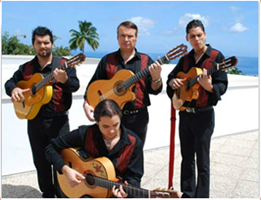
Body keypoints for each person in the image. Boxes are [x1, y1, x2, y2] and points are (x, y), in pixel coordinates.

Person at [4, 26, 80, 198]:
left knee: (61, 161)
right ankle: (47, 193)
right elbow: (9, 83)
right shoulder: (27, 68)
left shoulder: (63, 64)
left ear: (52, 43)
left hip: (58, 122)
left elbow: (75, 86)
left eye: (46, 42)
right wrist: (14, 89)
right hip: (35, 121)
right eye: (39, 43)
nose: (43, 46)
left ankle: (63, 194)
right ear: (33, 45)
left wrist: (65, 79)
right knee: (40, 161)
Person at [166, 19, 228, 198]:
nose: (196, 39)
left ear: (205, 35)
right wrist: (172, 81)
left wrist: (210, 88)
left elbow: (222, 85)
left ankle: (201, 196)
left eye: (199, 35)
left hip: (204, 115)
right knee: (186, 158)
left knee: (202, 160)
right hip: (185, 114)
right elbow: (172, 78)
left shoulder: (216, 57)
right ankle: (188, 193)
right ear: (187, 38)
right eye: (192, 36)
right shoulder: (184, 60)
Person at [83, 21, 162, 147]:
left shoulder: (146, 61)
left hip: (137, 118)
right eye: (122, 36)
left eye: (130, 36)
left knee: (135, 157)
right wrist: (87, 104)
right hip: (110, 119)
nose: (126, 39)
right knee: (110, 157)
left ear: (136, 38)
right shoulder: (107, 60)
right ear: (117, 38)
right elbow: (92, 86)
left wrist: (156, 78)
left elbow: (155, 90)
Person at [45, 99, 144, 198]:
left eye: (115, 125)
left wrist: (125, 192)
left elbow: (134, 177)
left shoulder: (134, 143)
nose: (112, 131)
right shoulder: (85, 134)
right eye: (105, 126)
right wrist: (65, 169)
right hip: (88, 192)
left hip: (115, 191)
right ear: (97, 122)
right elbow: (50, 148)